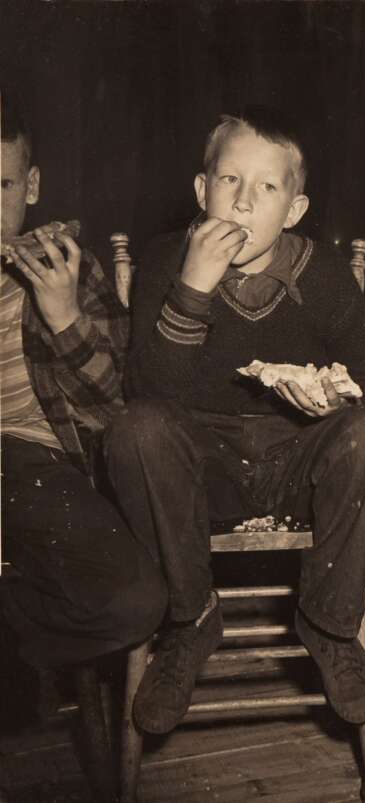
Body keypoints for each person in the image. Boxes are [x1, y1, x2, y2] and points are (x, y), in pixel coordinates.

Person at [103, 106, 365, 735]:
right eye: (229, 181)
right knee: (135, 430)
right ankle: (189, 619)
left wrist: (336, 399)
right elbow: (147, 395)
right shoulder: (166, 260)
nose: (242, 202)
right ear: (201, 190)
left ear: (293, 210)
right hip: (202, 470)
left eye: (266, 187)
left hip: (298, 463)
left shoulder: (322, 274)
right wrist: (193, 288)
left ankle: (329, 621)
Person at [0, 91, 165, 671]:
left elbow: (120, 407)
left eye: (3, 187)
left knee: (136, 602)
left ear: (33, 185)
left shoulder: (69, 267)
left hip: (34, 466)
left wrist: (64, 315)